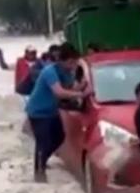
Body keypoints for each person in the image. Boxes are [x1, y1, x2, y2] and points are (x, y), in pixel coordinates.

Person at [25, 43, 91, 183]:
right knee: (42, 141)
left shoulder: (67, 73)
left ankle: (43, 160)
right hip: (38, 111)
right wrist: (81, 94)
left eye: (75, 62)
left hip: (52, 111)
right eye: (71, 62)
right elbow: (59, 92)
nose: (73, 65)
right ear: (63, 61)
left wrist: (83, 85)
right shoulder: (50, 71)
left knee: (59, 137)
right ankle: (39, 173)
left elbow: (70, 88)